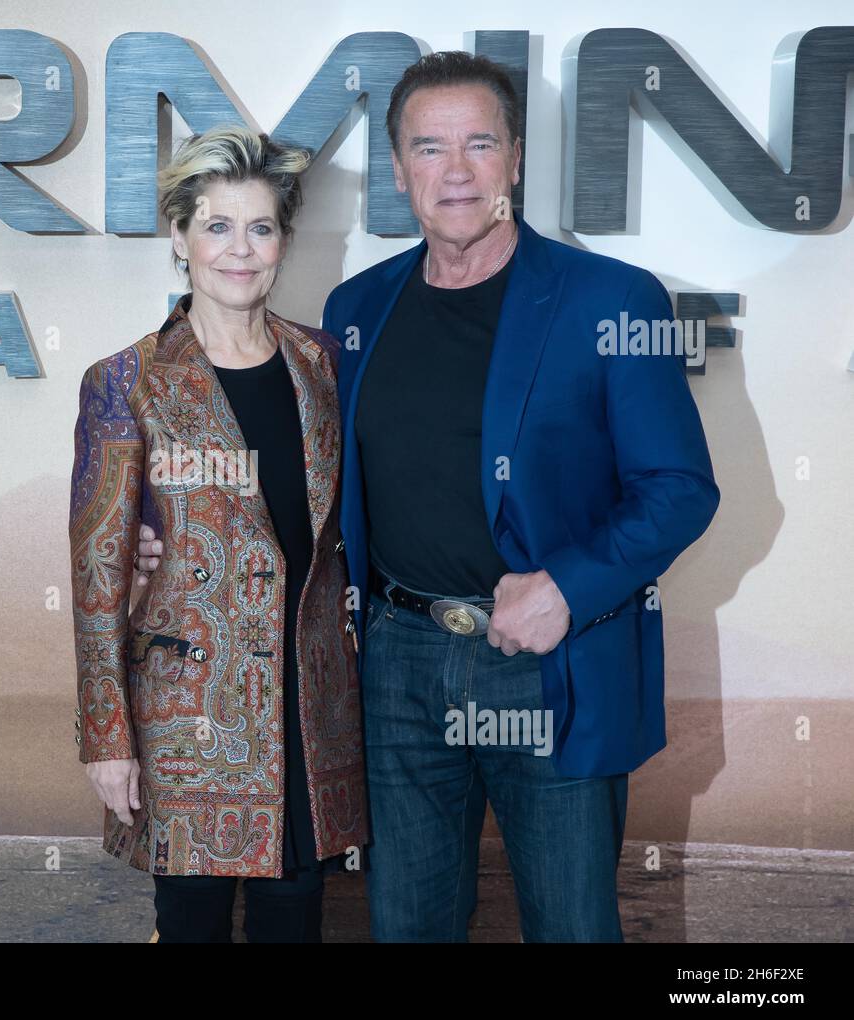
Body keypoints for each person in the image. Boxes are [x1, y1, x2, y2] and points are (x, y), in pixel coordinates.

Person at [138, 53, 719, 942]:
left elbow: (679, 488)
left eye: (480, 144)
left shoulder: (611, 299)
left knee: (572, 925)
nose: (456, 171)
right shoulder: (358, 310)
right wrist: (170, 532)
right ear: (400, 169)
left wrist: (566, 585)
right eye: (429, 148)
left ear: (515, 159)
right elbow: (309, 481)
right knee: (408, 926)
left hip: (550, 667)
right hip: (398, 669)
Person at [69, 125, 368, 943]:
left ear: (283, 242)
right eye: (217, 226)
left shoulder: (325, 365)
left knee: (294, 923)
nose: (241, 250)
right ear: (179, 237)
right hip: (186, 718)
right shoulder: (125, 382)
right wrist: (107, 736)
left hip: (310, 715)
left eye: (261, 227)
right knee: (191, 927)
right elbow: (97, 576)